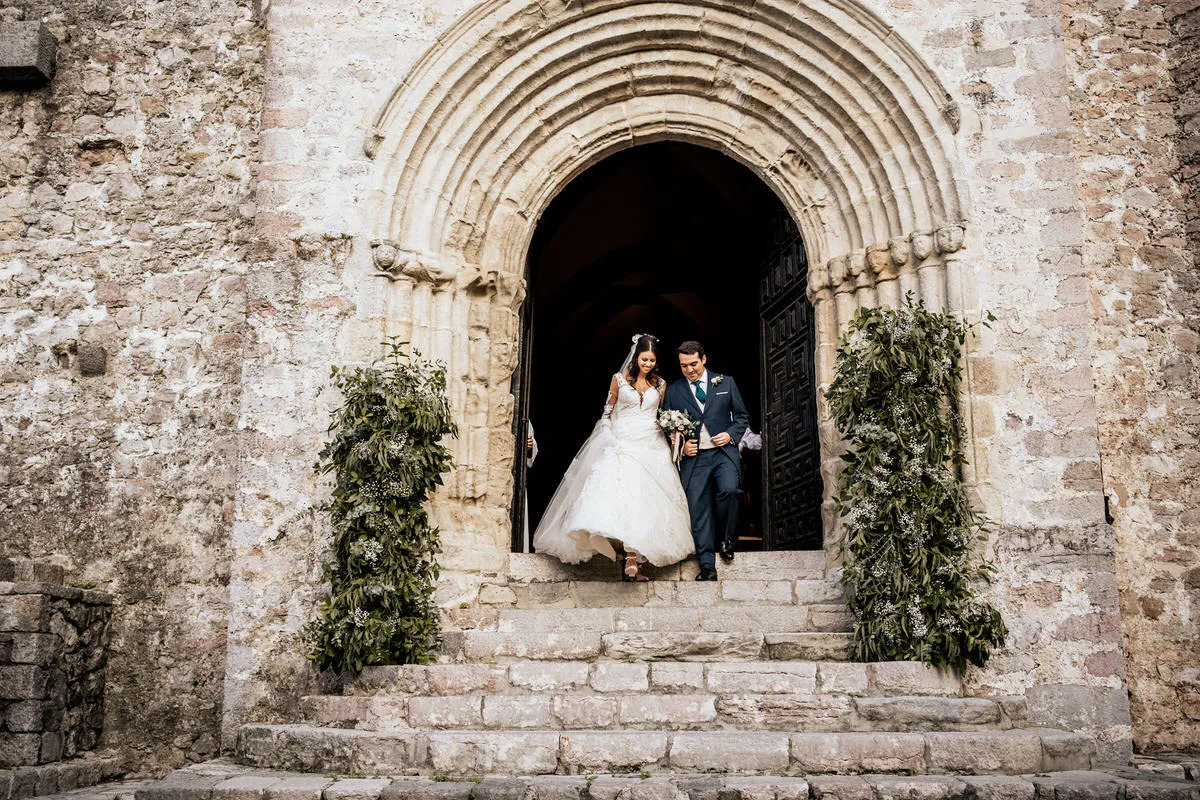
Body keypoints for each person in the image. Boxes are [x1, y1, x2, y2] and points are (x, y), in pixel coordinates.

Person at [533, 334, 695, 580]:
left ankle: (633, 559)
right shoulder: (618, 380)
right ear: (635, 357)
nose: (648, 364)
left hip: (651, 446)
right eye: (644, 359)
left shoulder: (661, 385)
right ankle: (629, 558)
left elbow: (660, 414)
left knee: (646, 503)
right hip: (622, 443)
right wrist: (607, 435)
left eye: (652, 360)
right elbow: (607, 412)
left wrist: (672, 427)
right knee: (623, 499)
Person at [661, 340, 750, 581]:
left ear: (703, 359)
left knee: (730, 491)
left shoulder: (726, 383)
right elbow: (665, 429)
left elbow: (742, 417)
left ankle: (727, 540)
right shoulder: (673, 391)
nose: (689, 370)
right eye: (683, 366)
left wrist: (730, 434)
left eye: (693, 364)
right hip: (695, 459)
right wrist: (680, 447)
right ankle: (707, 566)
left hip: (722, 454)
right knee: (698, 508)